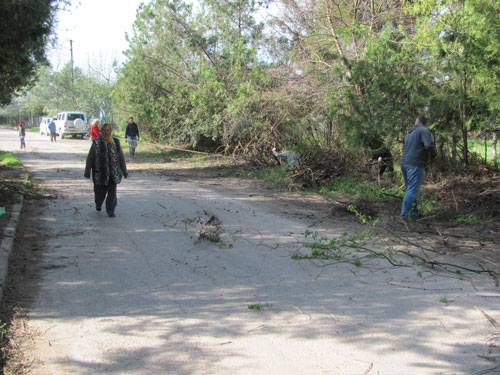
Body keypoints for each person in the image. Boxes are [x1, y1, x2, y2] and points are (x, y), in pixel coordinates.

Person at [84, 123, 128, 218]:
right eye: (104, 130)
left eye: (108, 130)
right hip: (100, 174)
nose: (106, 132)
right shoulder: (96, 142)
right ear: (101, 131)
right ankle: (98, 204)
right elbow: (90, 158)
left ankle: (110, 211)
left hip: (113, 173)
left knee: (112, 194)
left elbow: (121, 157)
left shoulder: (115, 142)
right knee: (99, 193)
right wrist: (87, 171)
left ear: (110, 131)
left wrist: (124, 171)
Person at [400, 116, 437, 220]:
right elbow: (429, 145)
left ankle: (414, 212)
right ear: (425, 123)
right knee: (412, 190)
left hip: (404, 162)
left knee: (410, 189)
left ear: (416, 122)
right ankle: (405, 216)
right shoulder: (424, 130)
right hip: (414, 164)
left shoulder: (410, 132)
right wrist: (434, 156)